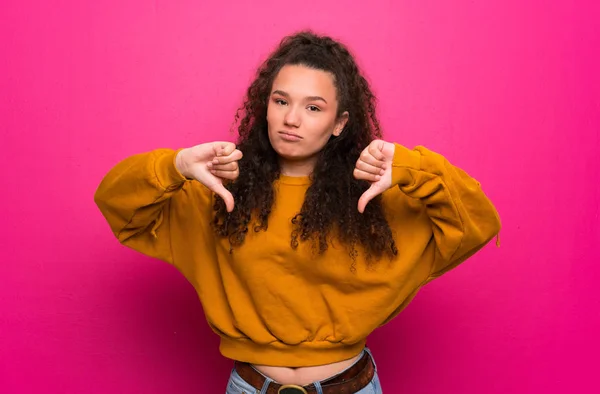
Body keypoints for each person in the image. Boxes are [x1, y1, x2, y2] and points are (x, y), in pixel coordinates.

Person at [94, 31, 501, 394]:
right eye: (281, 100)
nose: (291, 119)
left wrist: (415, 169)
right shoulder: (220, 193)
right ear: (265, 106)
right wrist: (176, 165)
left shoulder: (374, 198)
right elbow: (116, 202)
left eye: (313, 108)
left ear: (340, 122)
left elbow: (479, 223)